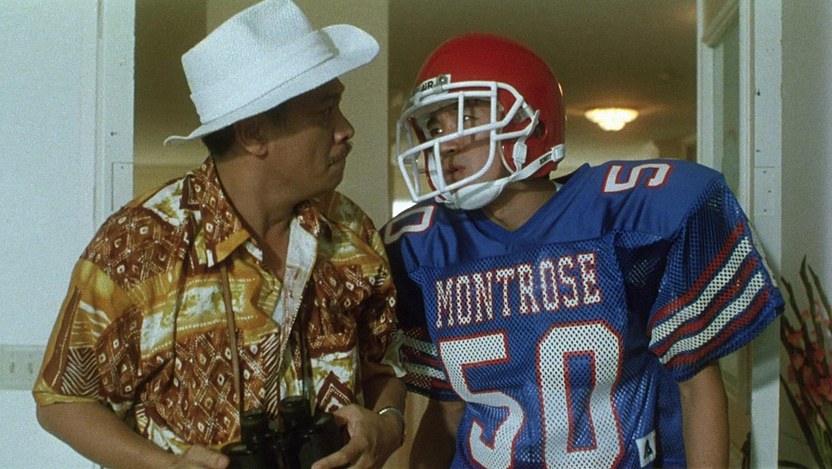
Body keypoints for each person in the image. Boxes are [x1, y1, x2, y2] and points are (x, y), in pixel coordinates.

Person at [381, 32, 784, 468]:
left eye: (465, 117)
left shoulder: (629, 220)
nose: (446, 143)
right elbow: (447, 413)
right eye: (436, 127)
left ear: (532, 124)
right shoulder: (426, 249)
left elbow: (697, 388)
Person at [33, 1, 405, 468]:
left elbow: (383, 366)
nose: (346, 130)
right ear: (253, 135)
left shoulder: (352, 232)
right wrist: (165, 466)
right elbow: (63, 401)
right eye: (325, 112)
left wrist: (387, 425)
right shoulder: (139, 244)